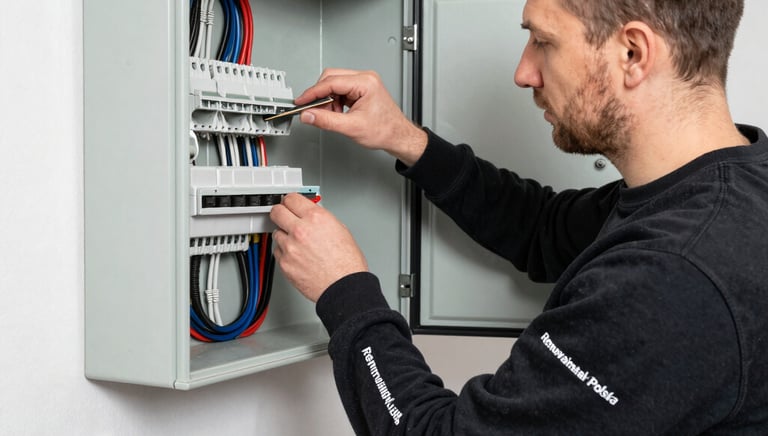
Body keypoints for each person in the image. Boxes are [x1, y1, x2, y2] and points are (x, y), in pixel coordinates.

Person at [270, 0, 768, 433]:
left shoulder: (676, 274)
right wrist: (405, 138)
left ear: (632, 53)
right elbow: (544, 229)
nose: (523, 72)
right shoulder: (720, 190)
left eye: (542, 41)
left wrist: (345, 291)